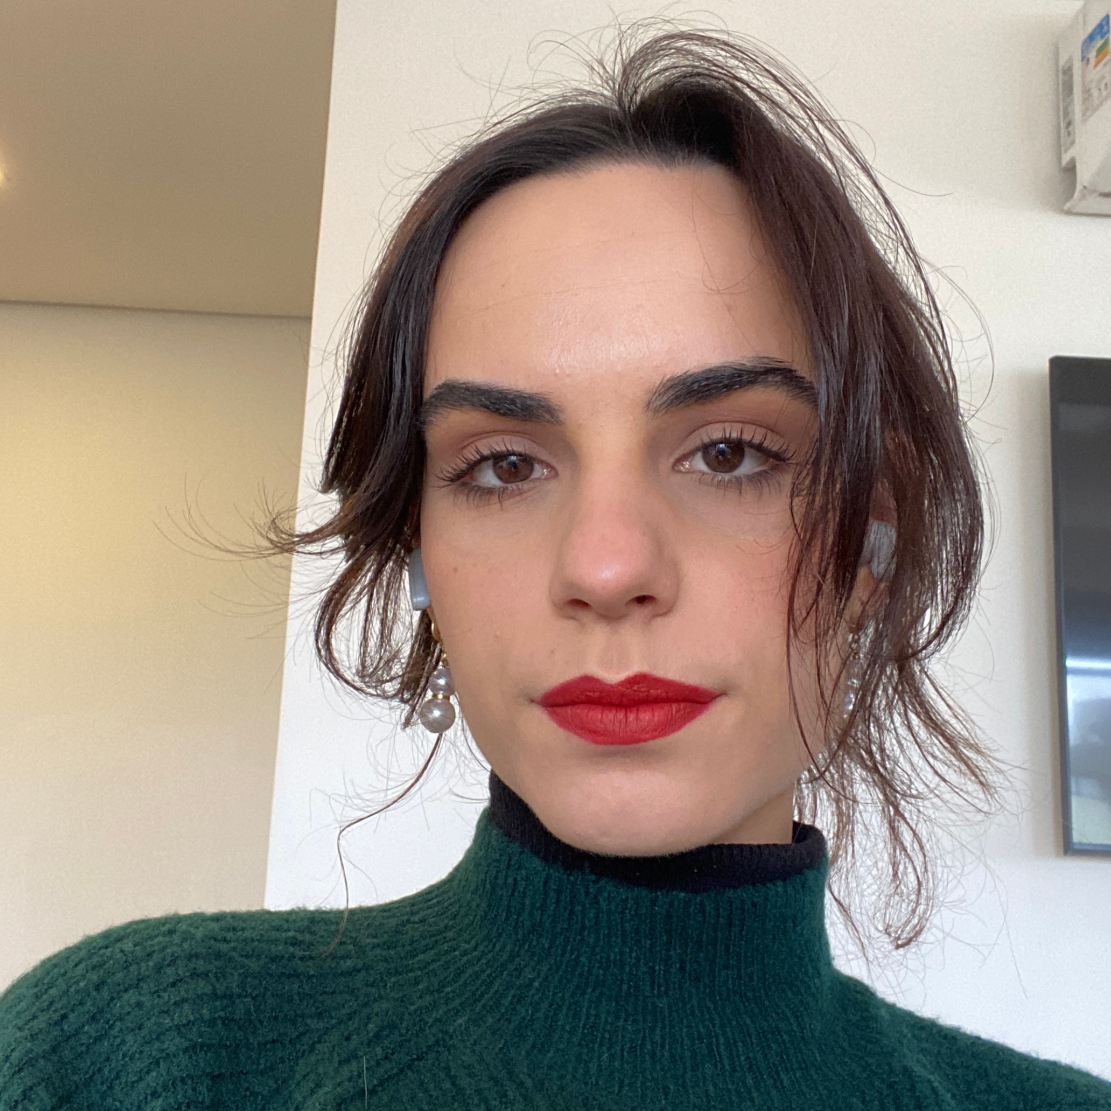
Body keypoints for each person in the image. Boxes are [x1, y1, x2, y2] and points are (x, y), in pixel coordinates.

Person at [2, 26, 1108, 1110]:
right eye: (503, 466)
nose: (606, 564)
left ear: (873, 541)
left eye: (730, 453)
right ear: (418, 553)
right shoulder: (128, 1056)